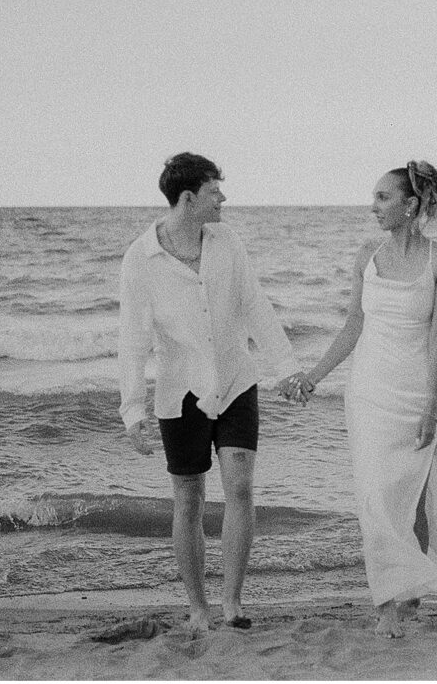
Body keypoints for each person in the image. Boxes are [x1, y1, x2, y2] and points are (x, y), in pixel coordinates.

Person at [281, 160, 437, 638]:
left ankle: (411, 592)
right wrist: (313, 375)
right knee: (375, 498)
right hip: (369, 392)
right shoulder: (367, 255)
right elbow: (353, 327)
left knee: (413, 498)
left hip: (417, 391)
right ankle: (386, 603)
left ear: (411, 205)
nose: (373, 207)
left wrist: (433, 406)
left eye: (383, 198)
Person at [119, 152, 307, 636]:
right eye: (215, 190)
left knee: (240, 486)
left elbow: (255, 305)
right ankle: (198, 606)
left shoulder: (227, 242)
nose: (223, 197)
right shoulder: (141, 258)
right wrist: (132, 409)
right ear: (188, 198)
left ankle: (232, 602)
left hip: (236, 380)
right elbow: (133, 339)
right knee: (189, 497)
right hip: (180, 391)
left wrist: (286, 368)